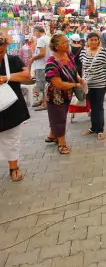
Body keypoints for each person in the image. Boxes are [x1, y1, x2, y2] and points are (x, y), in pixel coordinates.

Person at [45, 34, 85, 154]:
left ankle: (52, 135)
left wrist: (78, 78)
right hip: (55, 95)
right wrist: (75, 85)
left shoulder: (68, 55)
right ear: (56, 46)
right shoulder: (51, 62)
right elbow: (58, 83)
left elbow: (74, 71)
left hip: (67, 93)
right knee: (59, 119)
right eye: (64, 42)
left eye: (67, 41)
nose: (67, 44)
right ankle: (61, 144)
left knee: (58, 116)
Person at [0, 34, 31, 181]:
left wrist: (7, 78)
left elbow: (27, 75)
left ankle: (13, 167)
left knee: (12, 138)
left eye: (2, 50)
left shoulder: (13, 60)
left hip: (11, 106)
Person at [80, 33, 106, 140]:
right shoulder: (83, 52)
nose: (93, 42)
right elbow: (83, 67)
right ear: (87, 41)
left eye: (95, 40)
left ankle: (100, 129)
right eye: (91, 40)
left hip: (100, 84)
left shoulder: (103, 51)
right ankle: (93, 127)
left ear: (98, 41)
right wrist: (82, 80)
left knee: (99, 107)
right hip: (88, 84)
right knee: (92, 107)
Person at [29, 26, 50, 111]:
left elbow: (42, 53)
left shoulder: (41, 39)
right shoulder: (47, 38)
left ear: (37, 31)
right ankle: (42, 100)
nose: (34, 34)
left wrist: (32, 58)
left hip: (41, 65)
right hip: (45, 64)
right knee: (44, 84)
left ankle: (45, 103)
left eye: (34, 32)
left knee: (42, 85)